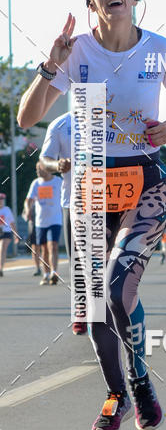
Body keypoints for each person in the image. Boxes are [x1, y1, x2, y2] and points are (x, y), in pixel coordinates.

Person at [17, 0, 166, 430]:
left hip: (144, 181)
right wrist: (50, 64)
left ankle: (140, 382)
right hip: (91, 185)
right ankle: (117, 394)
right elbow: (26, 118)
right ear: (91, 0)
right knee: (97, 300)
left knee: (120, 288)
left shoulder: (159, 49)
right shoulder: (76, 51)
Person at [38, 112, 86, 334]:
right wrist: (57, 165)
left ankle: (108, 308)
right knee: (78, 259)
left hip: (111, 200)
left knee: (109, 259)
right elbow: (44, 160)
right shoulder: (60, 124)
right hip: (74, 201)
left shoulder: (114, 116)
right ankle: (81, 309)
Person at [25, 162, 63, 285]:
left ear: (47, 169)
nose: (37, 172)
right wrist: (27, 210)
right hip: (40, 222)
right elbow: (28, 200)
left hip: (55, 220)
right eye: (36, 169)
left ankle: (54, 272)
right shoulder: (36, 183)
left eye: (39, 169)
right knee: (44, 249)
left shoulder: (58, 181)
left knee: (53, 246)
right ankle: (46, 274)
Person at [0, 192, 18, 276]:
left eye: (2, 199)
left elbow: (12, 223)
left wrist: (16, 234)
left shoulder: (7, 210)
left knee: (2, 248)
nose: (1, 201)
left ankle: (1, 268)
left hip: (6, 232)